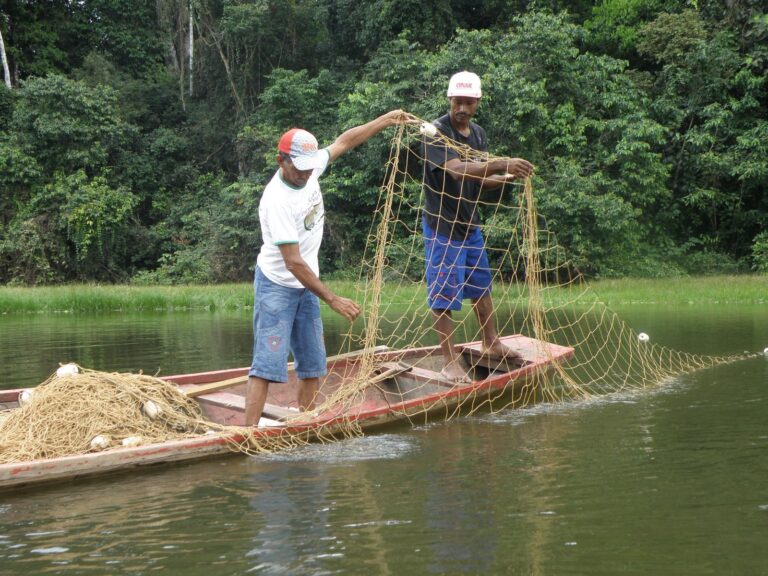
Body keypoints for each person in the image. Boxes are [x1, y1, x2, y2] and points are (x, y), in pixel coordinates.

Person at [246, 109, 418, 426]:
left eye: (309, 168)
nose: (305, 174)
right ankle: (248, 434)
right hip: (277, 287)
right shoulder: (277, 200)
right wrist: (333, 299)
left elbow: (344, 142)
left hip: (306, 287)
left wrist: (385, 121)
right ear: (280, 160)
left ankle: (305, 421)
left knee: (313, 362)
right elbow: (293, 262)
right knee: (267, 364)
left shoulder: (310, 167)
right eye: (298, 168)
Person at [422, 71, 534, 383]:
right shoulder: (435, 131)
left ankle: (490, 342)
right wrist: (501, 164)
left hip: (469, 225)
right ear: (449, 100)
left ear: (477, 102)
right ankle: (448, 360)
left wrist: (505, 178)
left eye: (468, 102)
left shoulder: (479, 134)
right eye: (457, 101)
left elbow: (479, 178)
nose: (462, 107)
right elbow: (457, 171)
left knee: (481, 286)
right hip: (443, 227)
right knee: (444, 294)